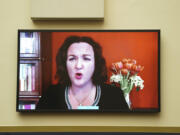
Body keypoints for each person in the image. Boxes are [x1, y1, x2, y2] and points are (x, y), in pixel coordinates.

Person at [36, 36, 129, 111]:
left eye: (86, 58)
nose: (78, 65)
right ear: (64, 64)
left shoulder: (114, 95)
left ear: (96, 63)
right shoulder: (51, 95)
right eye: (72, 58)